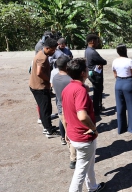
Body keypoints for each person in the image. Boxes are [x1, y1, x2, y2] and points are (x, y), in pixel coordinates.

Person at [62, 58, 105, 192]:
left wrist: (66, 131)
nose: (88, 70)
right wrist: (93, 128)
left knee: (89, 163)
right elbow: (82, 115)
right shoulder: (80, 91)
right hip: (84, 136)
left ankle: (93, 187)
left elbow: (65, 113)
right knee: (81, 169)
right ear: (83, 73)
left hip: (74, 134)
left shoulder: (68, 88)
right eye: (86, 68)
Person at [29, 37, 60, 138]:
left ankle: (47, 126)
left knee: (45, 108)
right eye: (53, 50)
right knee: (45, 109)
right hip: (39, 87)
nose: (54, 52)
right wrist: (49, 80)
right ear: (47, 48)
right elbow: (39, 73)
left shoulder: (41, 53)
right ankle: (49, 131)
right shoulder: (42, 57)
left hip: (36, 86)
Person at [52, 56, 77, 169]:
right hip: (70, 110)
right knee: (72, 134)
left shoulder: (55, 77)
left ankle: (73, 155)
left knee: (67, 132)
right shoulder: (70, 80)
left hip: (60, 108)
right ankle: (73, 159)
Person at [112, 44, 132, 134]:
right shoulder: (129, 61)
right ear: (126, 51)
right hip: (128, 82)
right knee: (131, 105)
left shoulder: (115, 61)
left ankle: (121, 128)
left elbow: (115, 74)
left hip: (118, 83)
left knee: (120, 106)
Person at [84, 34, 107, 116]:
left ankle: (98, 107)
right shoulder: (93, 52)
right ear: (93, 41)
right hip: (96, 74)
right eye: (97, 41)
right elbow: (104, 61)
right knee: (97, 91)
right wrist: (101, 62)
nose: (98, 43)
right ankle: (97, 109)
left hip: (91, 73)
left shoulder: (87, 50)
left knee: (98, 90)